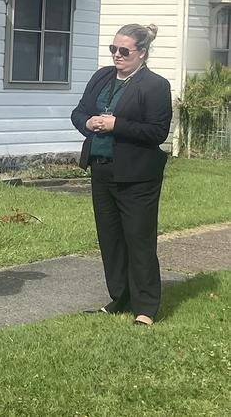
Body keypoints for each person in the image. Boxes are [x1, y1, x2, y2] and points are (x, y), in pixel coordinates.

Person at [71, 23, 172, 326]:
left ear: (142, 53)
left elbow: (157, 132)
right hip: (101, 169)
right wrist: (87, 123)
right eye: (113, 49)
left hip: (137, 175)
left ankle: (145, 307)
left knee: (139, 240)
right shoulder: (102, 77)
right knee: (110, 239)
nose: (117, 55)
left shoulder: (155, 85)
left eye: (124, 50)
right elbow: (78, 112)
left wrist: (117, 125)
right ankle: (120, 297)